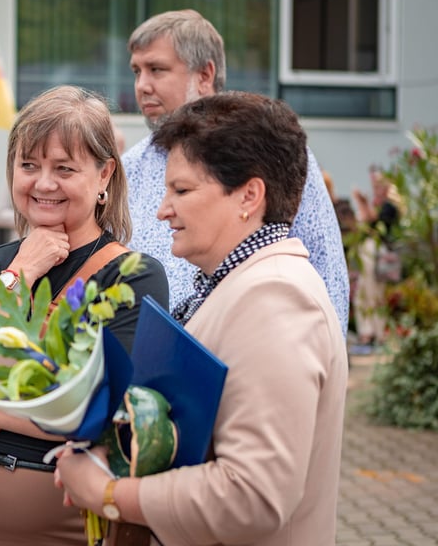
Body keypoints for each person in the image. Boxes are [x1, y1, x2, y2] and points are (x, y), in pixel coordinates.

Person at [55, 91, 349, 546]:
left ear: (249, 196)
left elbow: (253, 496)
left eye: (183, 190)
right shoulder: (240, 284)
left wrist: (110, 493)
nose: (162, 209)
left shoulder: (276, 297)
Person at [0, 85, 169, 545]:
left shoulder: (131, 276)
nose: (43, 183)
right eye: (29, 166)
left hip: (77, 526)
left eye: (64, 169)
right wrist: (22, 270)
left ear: (104, 176)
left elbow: (98, 411)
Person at [122, 9, 350, 337]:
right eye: (136, 71)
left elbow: (325, 266)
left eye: (156, 69)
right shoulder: (130, 167)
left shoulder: (267, 149)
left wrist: (327, 358)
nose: (141, 85)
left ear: (205, 75)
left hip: (257, 357)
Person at [350, 166, 401, 354]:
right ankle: (369, 333)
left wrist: (363, 204)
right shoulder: (378, 203)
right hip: (368, 255)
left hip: (377, 255)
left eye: (378, 183)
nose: (375, 186)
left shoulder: (389, 206)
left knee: (373, 294)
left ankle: (375, 334)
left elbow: (375, 224)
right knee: (364, 293)